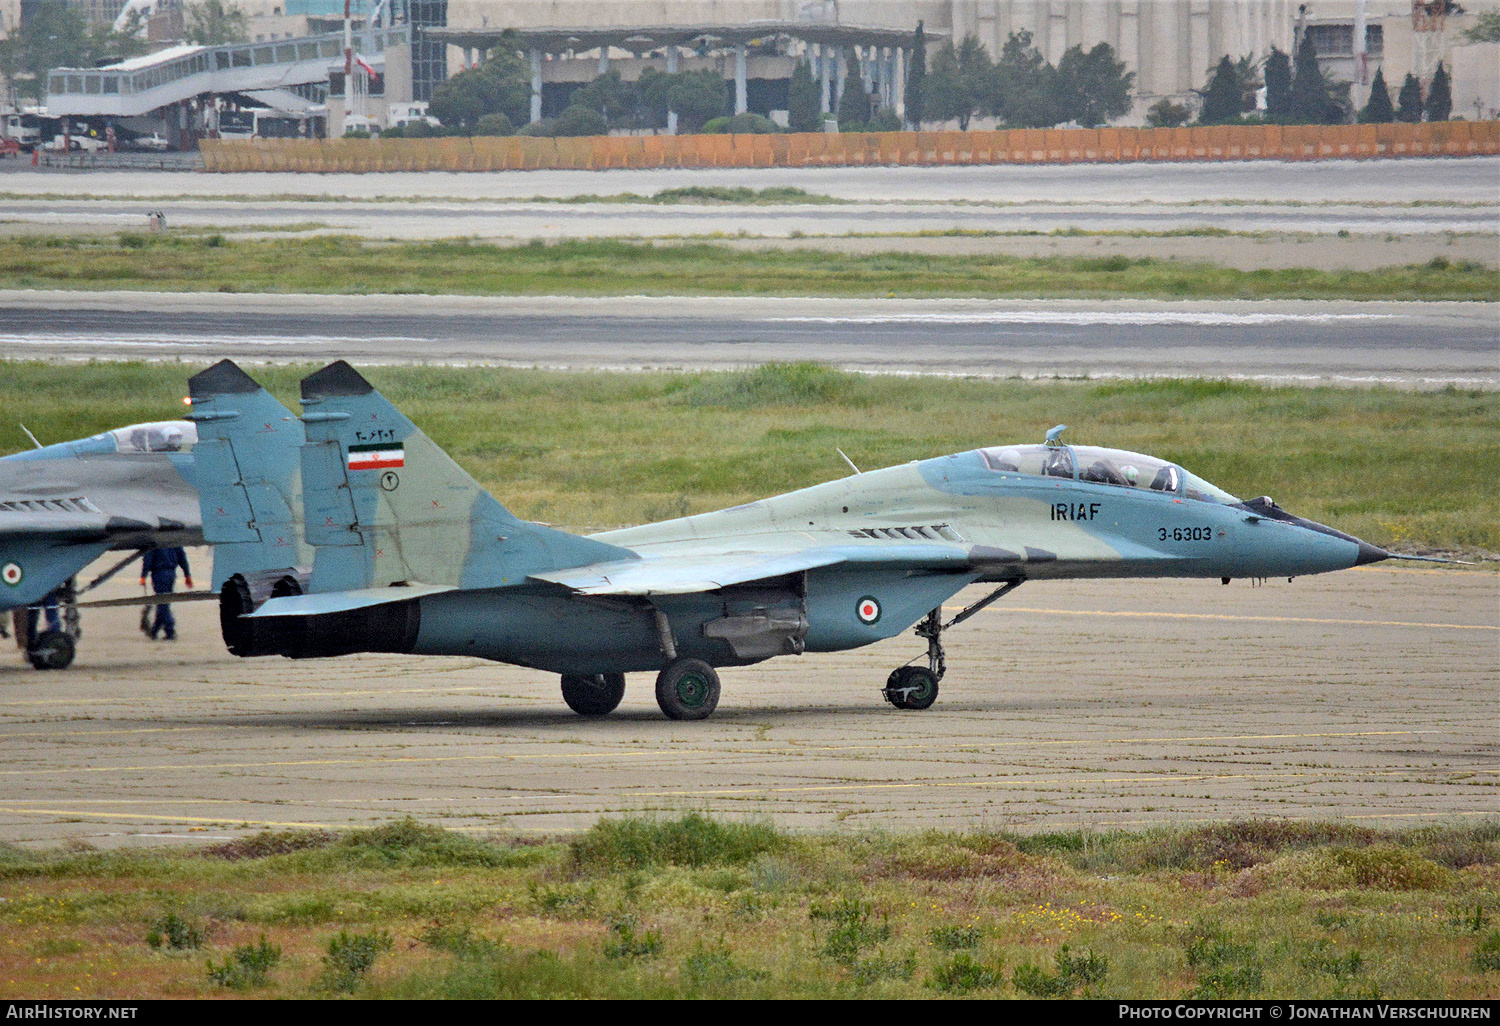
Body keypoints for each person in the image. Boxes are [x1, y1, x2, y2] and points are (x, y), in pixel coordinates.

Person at [140, 547, 193, 641]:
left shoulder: (154, 541)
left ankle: (170, 632)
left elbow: (148, 559)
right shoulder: (175, 541)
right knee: (164, 604)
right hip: (172, 574)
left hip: (159, 574)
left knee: (162, 605)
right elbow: (183, 558)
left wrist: (143, 576)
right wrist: (187, 575)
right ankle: (154, 631)